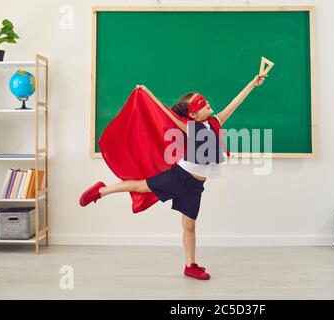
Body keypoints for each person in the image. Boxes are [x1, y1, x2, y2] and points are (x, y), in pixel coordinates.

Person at [79, 74, 267, 280]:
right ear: (193, 115)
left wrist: (252, 84)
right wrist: (146, 92)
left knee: (189, 225)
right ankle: (101, 190)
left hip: (195, 186)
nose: (207, 104)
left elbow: (235, 103)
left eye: (205, 102)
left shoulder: (215, 122)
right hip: (180, 177)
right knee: (141, 187)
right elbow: (163, 112)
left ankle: (190, 266)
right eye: (201, 104)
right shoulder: (190, 127)